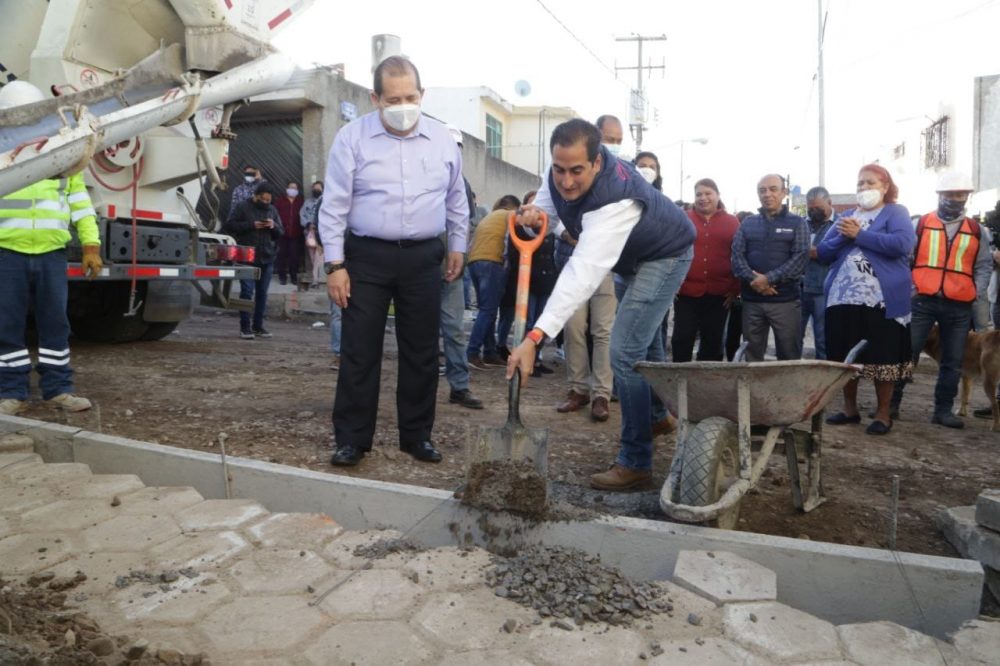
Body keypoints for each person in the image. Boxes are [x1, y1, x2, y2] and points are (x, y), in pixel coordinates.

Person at [507, 118, 696, 491]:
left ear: (597, 162)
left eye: (577, 170)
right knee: (647, 346)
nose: (567, 181)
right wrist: (533, 215)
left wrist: (535, 337)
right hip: (630, 258)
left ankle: (636, 461)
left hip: (666, 255)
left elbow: (582, 273)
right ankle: (658, 417)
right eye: (559, 169)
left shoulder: (616, 198)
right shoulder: (559, 172)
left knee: (623, 350)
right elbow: (547, 205)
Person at [319, 56, 468, 467]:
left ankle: (417, 436)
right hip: (366, 258)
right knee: (359, 349)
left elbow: (456, 199)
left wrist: (458, 245)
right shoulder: (352, 138)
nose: (403, 105)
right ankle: (352, 439)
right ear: (375, 98)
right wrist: (335, 265)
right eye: (393, 98)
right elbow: (333, 205)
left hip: (423, 258)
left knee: (421, 351)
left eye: (411, 97)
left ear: (423, 95)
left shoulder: (442, 140)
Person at [0, 80, 102, 416]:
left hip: (50, 254)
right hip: (7, 253)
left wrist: (91, 244)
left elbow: (80, 203)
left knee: (55, 323)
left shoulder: (60, 152)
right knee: (6, 324)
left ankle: (58, 389)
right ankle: (11, 391)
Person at [890, 172, 992, 429]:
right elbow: (905, 257)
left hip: (959, 303)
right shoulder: (921, 224)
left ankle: (943, 410)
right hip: (923, 300)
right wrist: (911, 287)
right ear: (940, 195)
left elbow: (983, 266)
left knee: (953, 359)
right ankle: (890, 404)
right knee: (906, 352)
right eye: (949, 194)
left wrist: (975, 292)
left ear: (966, 196)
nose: (954, 199)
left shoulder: (977, 231)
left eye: (959, 194)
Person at [818, 164, 915, 435]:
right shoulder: (847, 215)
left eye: (870, 183)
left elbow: (903, 244)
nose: (864, 188)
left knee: (882, 355)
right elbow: (824, 251)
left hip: (882, 300)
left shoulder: (896, 212)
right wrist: (843, 234)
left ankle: (883, 414)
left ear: (885, 186)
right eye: (860, 183)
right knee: (845, 356)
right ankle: (850, 409)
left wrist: (860, 235)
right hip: (843, 297)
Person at [554, 116, 624, 422]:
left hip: (605, 267)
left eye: (618, 140)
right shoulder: (568, 176)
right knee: (573, 327)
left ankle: (601, 395)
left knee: (603, 331)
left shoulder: (617, 179)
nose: (614, 146)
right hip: (573, 264)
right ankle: (578, 389)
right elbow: (552, 215)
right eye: (609, 138)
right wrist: (568, 233)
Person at [730, 174, 809, 361]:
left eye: (773, 189)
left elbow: (799, 259)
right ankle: (756, 391)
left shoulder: (798, 223)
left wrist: (768, 279)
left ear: (784, 192)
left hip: (786, 302)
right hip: (752, 301)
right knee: (752, 355)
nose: (767, 194)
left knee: (789, 354)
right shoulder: (748, 223)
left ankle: (787, 391)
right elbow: (736, 256)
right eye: (762, 190)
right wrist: (754, 280)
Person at [671, 178, 740, 362]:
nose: (703, 198)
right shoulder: (682, 218)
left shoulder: (732, 222)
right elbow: (671, 252)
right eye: (699, 194)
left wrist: (735, 289)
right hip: (685, 293)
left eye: (708, 193)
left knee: (713, 342)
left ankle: (707, 387)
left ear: (718, 195)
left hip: (719, 295)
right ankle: (680, 382)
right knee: (681, 340)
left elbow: (740, 257)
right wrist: (671, 284)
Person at [438, 125, 482, 410]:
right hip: (418, 266)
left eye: (458, 147)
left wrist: (459, 256)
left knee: (453, 328)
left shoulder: (461, 183)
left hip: (450, 269)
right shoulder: (422, 176)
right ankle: (419, 384)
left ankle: (459, 386)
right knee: (418, 330)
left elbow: (465, 223)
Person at [224, 184, 284, 339]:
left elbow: (280, 232)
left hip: (267, 257)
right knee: (246, 292)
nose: (266, 202)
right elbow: (230, 225)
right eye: (263, 199)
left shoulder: (272, 209)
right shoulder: (242, 207)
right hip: (247, 257)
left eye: (268, 200)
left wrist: (273, 226)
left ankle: (258, 326)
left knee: (262, 294)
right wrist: (251, 225)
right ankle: (245, 327)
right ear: (256, 196)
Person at [467, 195, 520, 369]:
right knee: (488, 311)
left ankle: (489, 352)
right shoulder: (510, 216)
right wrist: (506, 261)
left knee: (486, 310)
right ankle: (472, 352)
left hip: (474, 261)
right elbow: (508, 239)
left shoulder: (489, 217)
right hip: (493, 262)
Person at [800, 187, 838, 359]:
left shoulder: (840, 224)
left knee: (823, 339)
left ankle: (824, 380)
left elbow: (837, 253)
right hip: (799, 289)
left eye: (818, 208)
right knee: (792, 337)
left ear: (829, 203)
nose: (814, 212)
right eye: (810, 208)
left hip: (825, 290)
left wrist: (816, 252)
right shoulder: (801, 224)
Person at [275, 180, 304, 287]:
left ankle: (293, 276)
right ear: (287, 189)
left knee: (294, 257)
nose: (293, 190)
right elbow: (275, 215)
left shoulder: (300, 202)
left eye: (295, 188)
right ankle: (282, 277)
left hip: (296, 234)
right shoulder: (280, 201)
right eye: (291, 187)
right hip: (282, 233)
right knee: (281, 256)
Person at [301, 180, 325, 288]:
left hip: (321, 233)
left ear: (323, 189)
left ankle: (316, 280)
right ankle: (317, 278)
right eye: (314, 188)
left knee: (318, 257)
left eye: (318, 188)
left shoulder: (326, 201)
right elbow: (302, 214)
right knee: (312, 257)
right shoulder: (307, 202)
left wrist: (318, 225)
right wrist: (308, 224)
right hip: (309, 233)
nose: (316, 190)